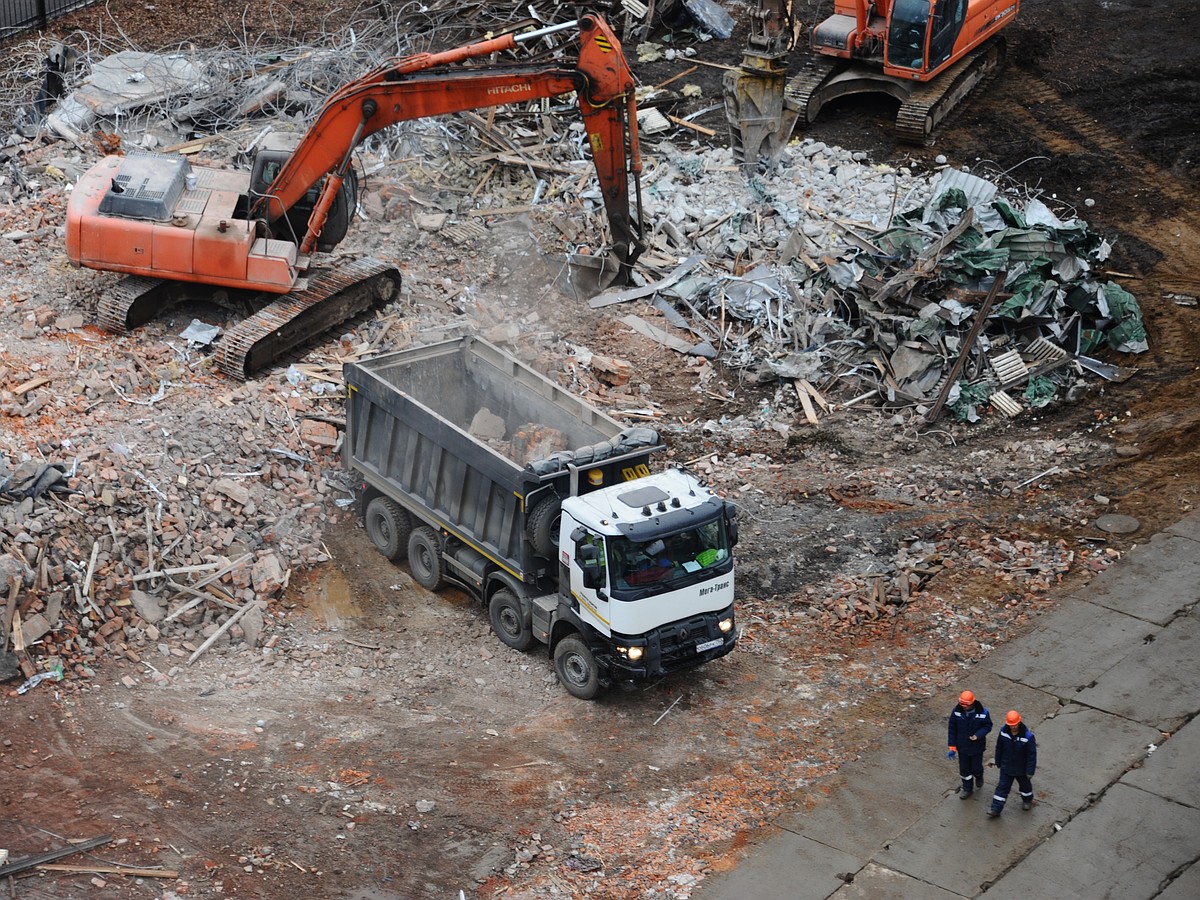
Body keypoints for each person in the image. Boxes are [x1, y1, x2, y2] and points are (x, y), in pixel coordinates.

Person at [987, 710, 1037, 817]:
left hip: (1021, 769)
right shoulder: (1003, 732)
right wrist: (998, 761)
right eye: (1010, 725)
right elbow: (999, 747)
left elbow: (1031, 756)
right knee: (1002, 788)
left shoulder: (1028, 737)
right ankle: (995, 809)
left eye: (1014, 725)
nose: (1012, 727)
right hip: (1006, 767)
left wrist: (1030, 771)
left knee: (1025, 787)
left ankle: (1027, 800)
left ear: (1019, 722)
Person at [947, 690, 992, 798]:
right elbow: (952, 728)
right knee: (964, 769)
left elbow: (987, 726)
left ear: (972, 703)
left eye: (966, 705)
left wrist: (978, 735)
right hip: (962, 747)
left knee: (976, 768)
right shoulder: (957, 712)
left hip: (977, 747)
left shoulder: (983, 713)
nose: (963, 707)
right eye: (962, 705)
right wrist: (952, 746)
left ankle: (979, 775)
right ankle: (967, 789)